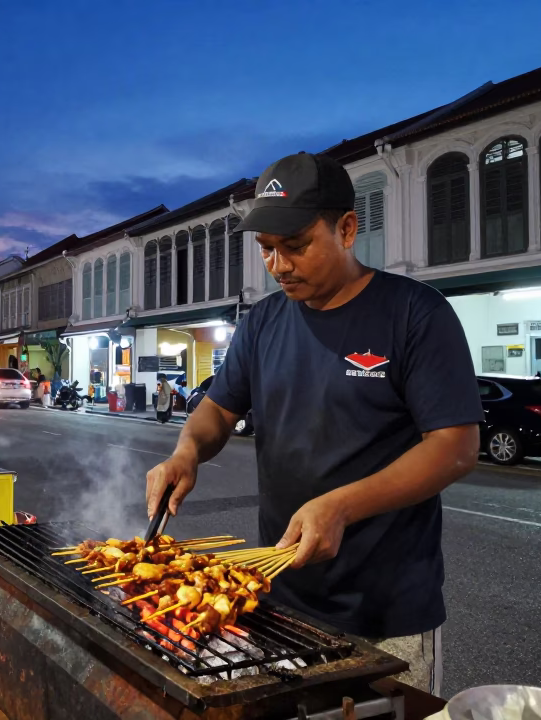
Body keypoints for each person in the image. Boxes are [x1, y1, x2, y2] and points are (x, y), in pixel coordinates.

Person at [145, 152, 481, 695]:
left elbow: (454, 447)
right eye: (267, 251)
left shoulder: (416, 313)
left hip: (384, 612)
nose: (278, 266)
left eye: (295, 246)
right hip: (275, 597)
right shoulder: (263, 322)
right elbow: (219, 409)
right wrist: (187, 452)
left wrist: (341, 505)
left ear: (346, 228)